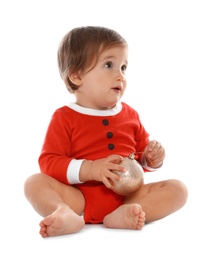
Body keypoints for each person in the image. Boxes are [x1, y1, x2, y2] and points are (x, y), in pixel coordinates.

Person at [24, 26, 188, 238]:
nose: (120, 75)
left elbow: (138, 158)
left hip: (127, 197)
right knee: (34, 183)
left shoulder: (130, 114)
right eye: (109, 65)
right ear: (76, 75)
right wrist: (92, 169)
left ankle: (124, 213)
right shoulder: (64, 117)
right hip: (79, 197)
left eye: (124, 67)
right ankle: (64, 211)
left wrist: (149, 159)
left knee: (178, 189)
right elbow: (49, 162)